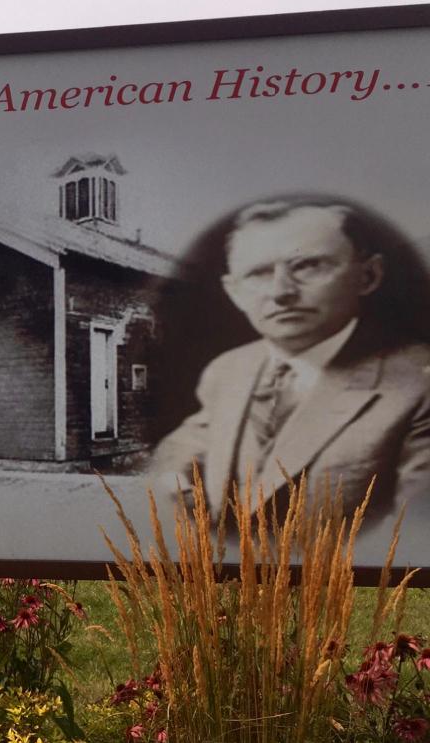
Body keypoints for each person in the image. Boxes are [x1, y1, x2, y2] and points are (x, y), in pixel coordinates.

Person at [151, 197, 430, 528]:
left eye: (309, 265)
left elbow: (414, 532)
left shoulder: (418, 383)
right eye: (258, 273)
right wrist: (175, 478)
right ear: (234, 292)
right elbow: (188, 442)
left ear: (368, 275)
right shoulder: (228, 369)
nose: (281, 291)